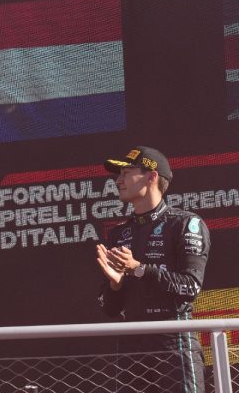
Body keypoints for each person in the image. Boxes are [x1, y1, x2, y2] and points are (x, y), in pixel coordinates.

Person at [96, 146, 209, 393]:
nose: (118, 180)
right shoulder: (119, 234)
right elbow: (110, 309)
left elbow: (190, 287)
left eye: (126, 173)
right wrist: (116, 285)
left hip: (173, 343)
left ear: (151, 176)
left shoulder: (185, 224)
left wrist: (139, 269)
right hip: (131, 346)